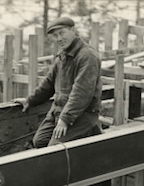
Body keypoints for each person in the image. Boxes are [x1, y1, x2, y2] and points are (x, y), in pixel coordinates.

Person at [14, 17, 102, 148]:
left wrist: (65, 120)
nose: (59, 39)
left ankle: (90, 133)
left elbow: (81, 93)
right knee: (40, 141)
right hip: (59, 110)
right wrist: (30, 100)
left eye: (62, 33)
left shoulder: (87, 56)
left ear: (73, 30)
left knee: (55, 150)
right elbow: (48, 83)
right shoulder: (63, 55)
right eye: (55, 36)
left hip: (82, 114)